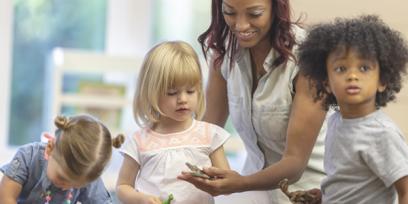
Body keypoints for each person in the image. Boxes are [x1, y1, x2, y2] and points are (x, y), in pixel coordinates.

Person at [178, 0, 329, 203]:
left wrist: (240, 183)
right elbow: (208, 130)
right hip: (253, 192)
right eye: (229, 12)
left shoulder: (307, 54)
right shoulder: (225, 49)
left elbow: (294, 164)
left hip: (306, 192)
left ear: (277, 9)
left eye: (255, 14)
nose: (240, 26)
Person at [298, 15, 408, 203]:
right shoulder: (335, 121)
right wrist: (324, 196)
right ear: (326, 83)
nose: (353, 76)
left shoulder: (381, 133)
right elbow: (350, 181)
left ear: (382, 81)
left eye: (364, 68)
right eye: (341, 69)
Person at [115, 41, 231, 204]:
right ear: (152, 93)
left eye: (190, 91)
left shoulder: (210, 135)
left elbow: (227, 184)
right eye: (172, 92)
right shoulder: (140, 141)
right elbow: (122, 186)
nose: (183, 99)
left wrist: (211, 179)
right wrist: (141, 199)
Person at [0, 114, 125, 204]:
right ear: (50, 148)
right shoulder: (27, 157)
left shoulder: (85, 174)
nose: (66, 187)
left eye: (76, 185)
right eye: (62, 178)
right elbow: (5, 197)